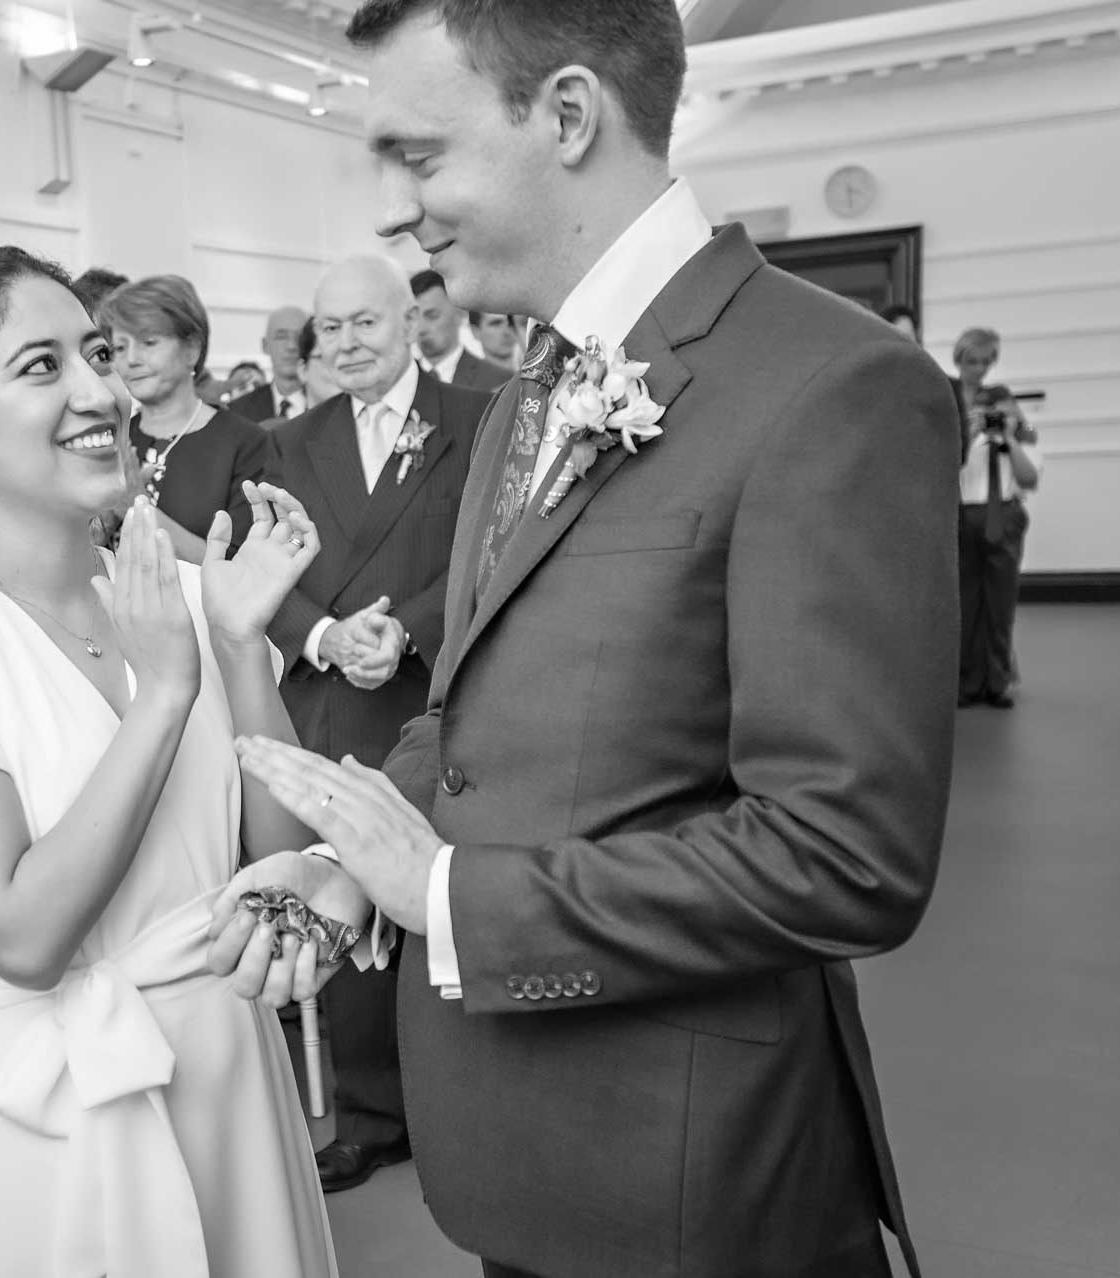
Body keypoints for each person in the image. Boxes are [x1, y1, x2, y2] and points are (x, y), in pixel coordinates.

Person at [211, 2, 958, 1275]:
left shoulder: (831, 387)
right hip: (514, 1152)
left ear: (567, 115)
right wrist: (348, 873)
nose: (395, 209)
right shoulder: (522, 405)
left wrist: (443, 894)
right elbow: (472, 714)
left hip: (687, 1179)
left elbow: (846, 853)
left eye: (418, 154)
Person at [0, 243, 338, 1277]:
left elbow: (276, 860)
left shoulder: (172, 589)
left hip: (229, 1071)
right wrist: (164, 691)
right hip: (59, 1107)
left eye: (98, 352)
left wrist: (237, 649)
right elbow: (25, 937)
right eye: (42, 368)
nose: (101, 392)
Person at [265, 255, 491, 1193]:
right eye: (331, 328)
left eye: (365, 322)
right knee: (346, 899)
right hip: (333, 699)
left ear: (411, 322)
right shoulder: (288, 439)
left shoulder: (479, 421)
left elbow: (496, 549)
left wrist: (408, 628)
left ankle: (470, 1099)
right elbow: (263, 566)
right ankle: (367, 1113)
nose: (347, 342)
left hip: (441, 698)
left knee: (444, 907)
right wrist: (321, 631)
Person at [99, 275, 271, 563]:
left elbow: (241, 570)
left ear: (192, 349)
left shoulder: (246, 444)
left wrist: (137, 509)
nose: (130, 360)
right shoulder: (112, 437)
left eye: (148, 342)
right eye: (119, 347)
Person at [951, 327, 1040, 709]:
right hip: (962, 510)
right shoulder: (949, 396)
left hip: (1002, 510)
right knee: (965, 603)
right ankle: (967, 682)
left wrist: (1012, 425)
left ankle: (999, 679)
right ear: (959, 359)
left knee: (1000, 606)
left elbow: (1032, 439)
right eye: (973, 361)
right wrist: (966, 430)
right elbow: (946, 456)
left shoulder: (1000, 396)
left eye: (986, 362)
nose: (979, 370)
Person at [412, 268, 511, 391]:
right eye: (413, 319)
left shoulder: (499, 381)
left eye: (432, 315)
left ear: (460, 313)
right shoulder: (401, 383)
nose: (421, 328)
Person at [229, 305, 313, 422]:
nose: (291, 346)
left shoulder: (330, 407)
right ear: (265, 345)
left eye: (299, 337)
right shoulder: (237, 412)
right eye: (281, 337)